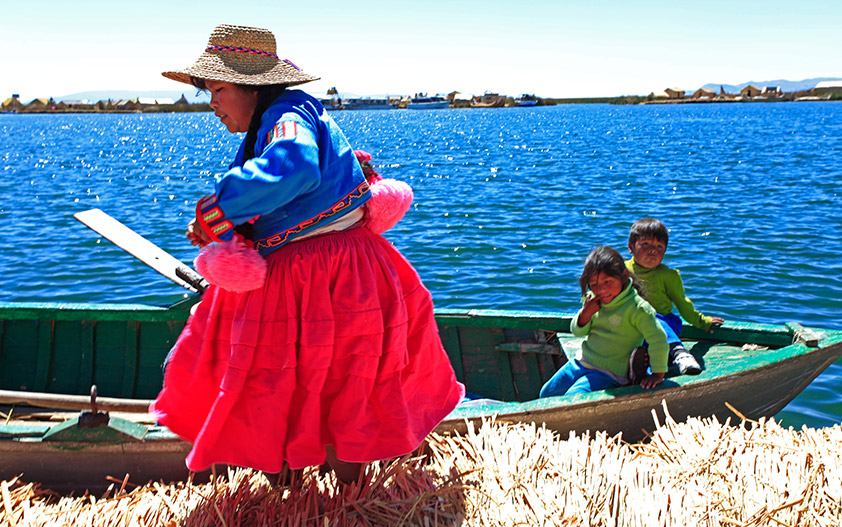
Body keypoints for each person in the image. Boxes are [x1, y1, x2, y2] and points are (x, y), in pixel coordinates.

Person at [149, 24, 464, 484]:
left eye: (217, 90)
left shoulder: (287, 117)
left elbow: (295, 167)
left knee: (281, 381)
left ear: (253, 87)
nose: (211, 103)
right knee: (345, 379)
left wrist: (219, 209)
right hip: (352, 268)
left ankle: (309, 507)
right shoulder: (282, 120)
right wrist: (230, 223)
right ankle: (338, 505)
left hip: (316, 275)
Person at [539, 246, 668, 398]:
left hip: (608, 373)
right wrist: (586, 313)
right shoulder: (592, 299)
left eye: (608, 282)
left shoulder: (637, 308)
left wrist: (658, 374)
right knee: (546, 393)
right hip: (581, 362)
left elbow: (658, 339)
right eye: (594, 284)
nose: (601, 290)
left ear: (624, 276)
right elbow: (577, 331)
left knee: (575, 397)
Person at [625, 218, 724, 375]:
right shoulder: (621, 271)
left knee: (652, 318)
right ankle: (641, 371)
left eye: (659, 246)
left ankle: (680, 353)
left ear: (664, 252)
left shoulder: (668, 275)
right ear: (631, 247)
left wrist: (702, 322)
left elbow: (683, 304)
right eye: (646, 244)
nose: (653, 250)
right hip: (633, 328)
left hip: (664, 325)